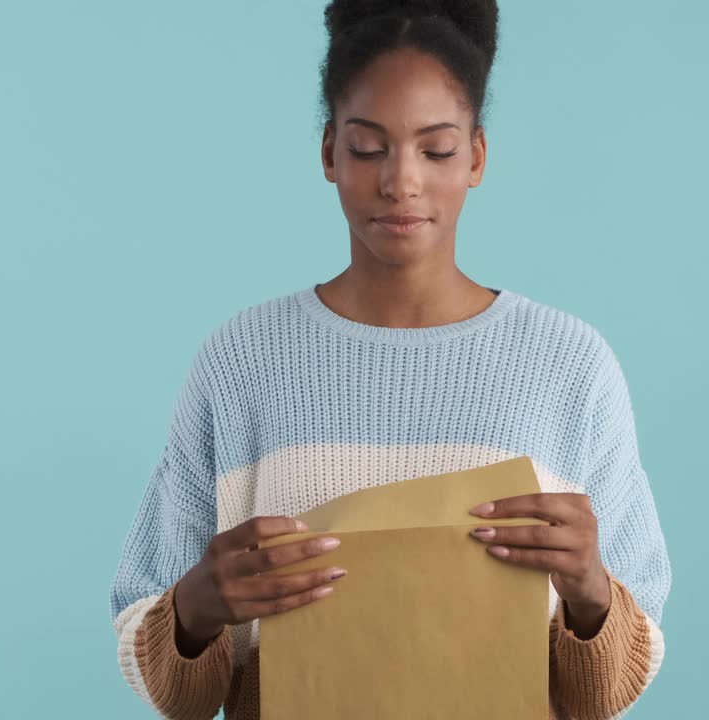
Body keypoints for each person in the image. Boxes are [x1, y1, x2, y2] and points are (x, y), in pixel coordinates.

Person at [108, 1, 672, 717]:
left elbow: (607, 692)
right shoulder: (241, 362)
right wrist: (195, 606)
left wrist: (592, 593)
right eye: (369, 148)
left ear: (476, 156)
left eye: (435, 149)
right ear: (328, 153)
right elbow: (173, 686)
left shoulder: (569, 365)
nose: (400, 182)